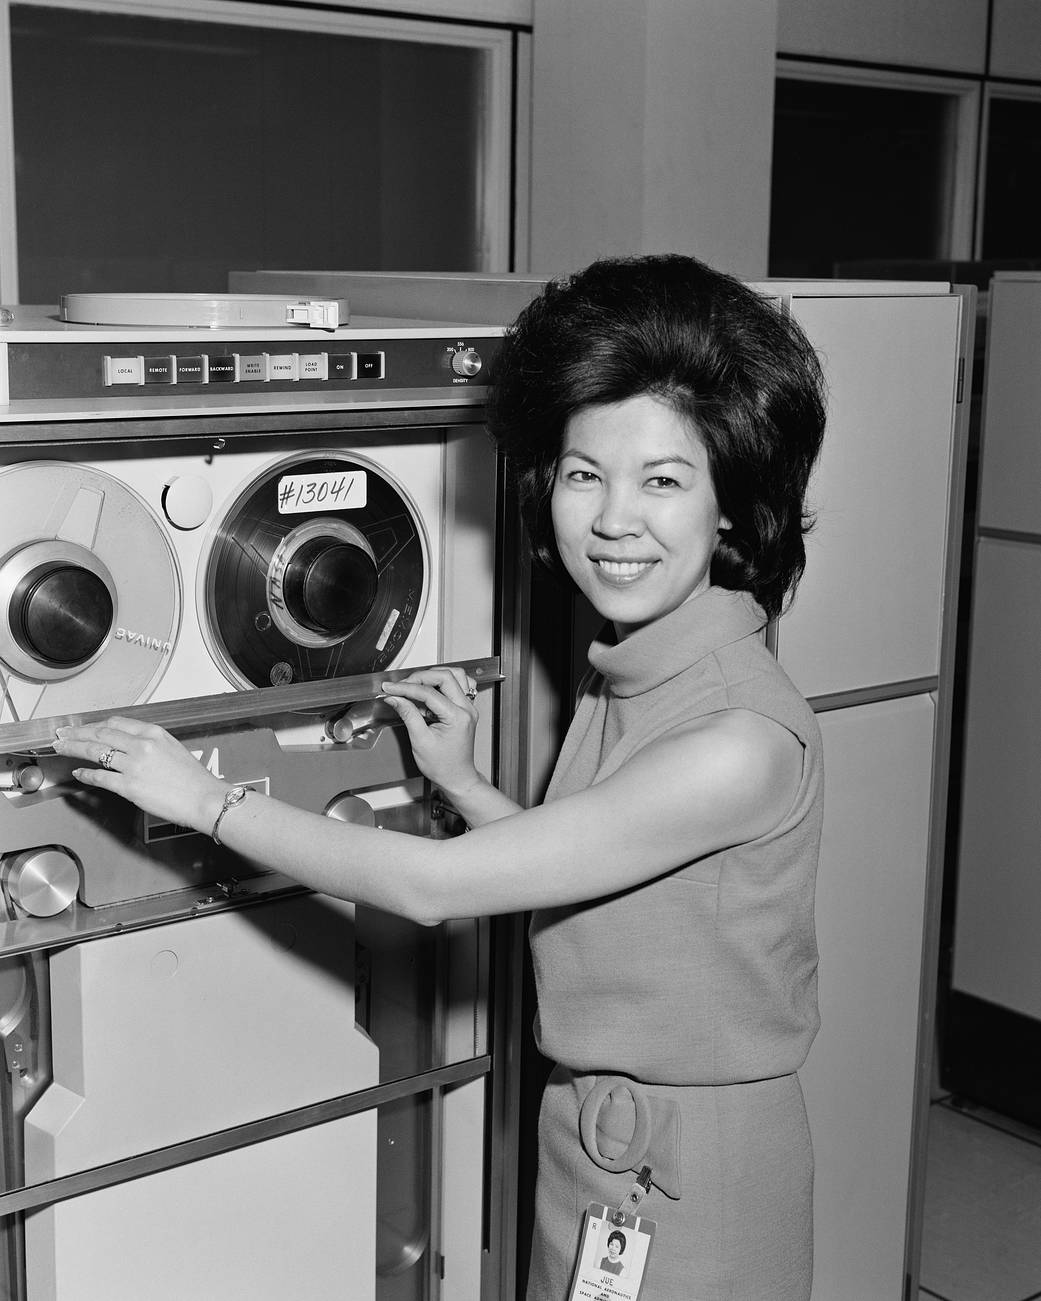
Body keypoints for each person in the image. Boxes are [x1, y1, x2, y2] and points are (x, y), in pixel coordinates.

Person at [53, 253, 827, 1300]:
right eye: (584, 472)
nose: (611, 519)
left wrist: (203, 795)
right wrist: (463, 782)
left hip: (697, 1163)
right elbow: (602, 878)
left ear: (732, 506)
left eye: (663, 480)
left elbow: (440, 887)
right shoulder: (639, 672)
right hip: (598, 1132)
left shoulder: (736, 732)